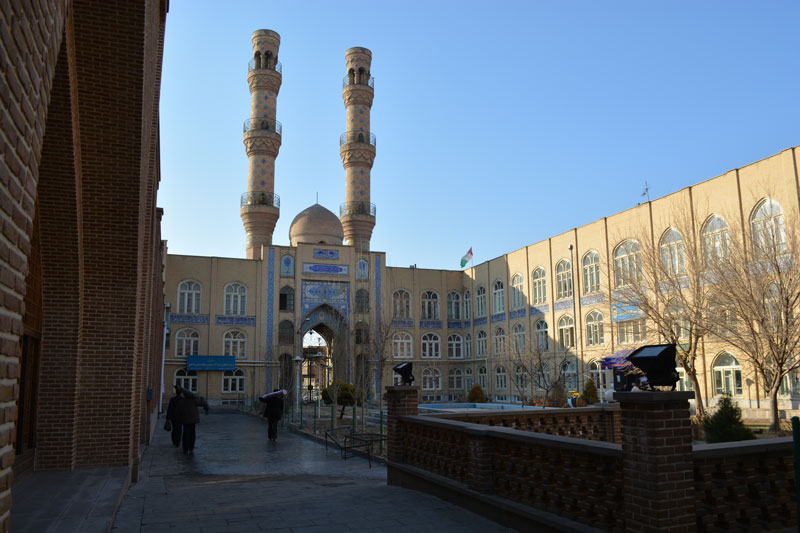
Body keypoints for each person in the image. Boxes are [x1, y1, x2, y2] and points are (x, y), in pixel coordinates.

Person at [176, 387, 209, 455]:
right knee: (192, 434)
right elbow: (203, 403)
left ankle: (185, 449)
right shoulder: (194, 400)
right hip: (193, 420)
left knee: (185, 434)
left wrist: (178, 419)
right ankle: (191, 448)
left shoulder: (182, 401)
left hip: (185, 420)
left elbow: (178, 411)